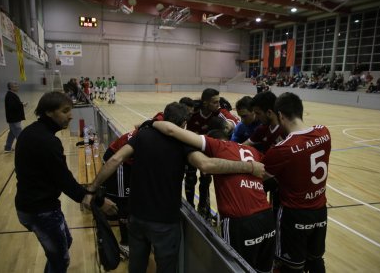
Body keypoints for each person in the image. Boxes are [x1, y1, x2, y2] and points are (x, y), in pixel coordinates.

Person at [88, 102, 261, 273]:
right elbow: (207, 165)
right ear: (183, 124)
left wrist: (92, 188)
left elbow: (114, 160)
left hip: (136, 216)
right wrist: (249, 167)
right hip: (165, 222)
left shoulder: (142, 135)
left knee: (136, 265)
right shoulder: (183, 144)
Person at [152, 119, 275, 272]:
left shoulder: (217, 145)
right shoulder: (254, 152)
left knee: (235, 268)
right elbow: (271, 176)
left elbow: (170, 130)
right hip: (267, 218)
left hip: (240, 221)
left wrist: (152, 123)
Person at [14, 91, 117, 273]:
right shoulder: (47, 141)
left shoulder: (30, 132)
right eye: (65, 111)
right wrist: (98, 202)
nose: (71, 116)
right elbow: (65, 181)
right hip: (41, 212)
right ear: (48, 112)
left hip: (28, 206)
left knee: (65, 243)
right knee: (60, 260)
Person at [262, 92, 331, 273]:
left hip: (294, 215)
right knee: (316, 260)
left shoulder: (282, 149)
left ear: (281, 116)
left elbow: (263, 175)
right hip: (320, 212)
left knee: (291, 267)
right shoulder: (324, 133)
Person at [186, 88, 240, 219]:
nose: (218, 105)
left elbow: (234, 122)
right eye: (215, 102)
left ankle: (203, 209)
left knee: (205, 180)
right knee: (190, 179)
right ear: (205, 103)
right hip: (191, 149)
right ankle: (189, 206)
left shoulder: (219, 112)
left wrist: (226, 126)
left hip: (207, 149)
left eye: (219, 102)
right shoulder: (193, 111)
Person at [4, 82, 26, 153]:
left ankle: (8, 147)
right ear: (11, 87)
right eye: (15, 86)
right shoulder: (10, 95)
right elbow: (12, 107)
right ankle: (23, 149)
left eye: (17, 85)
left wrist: (21, 104)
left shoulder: (11, 95)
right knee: (19, 134)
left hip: (13, 118)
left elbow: (14, 105)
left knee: (12, 133)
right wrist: (22, 105)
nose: (17, 87)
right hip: (14, 119)